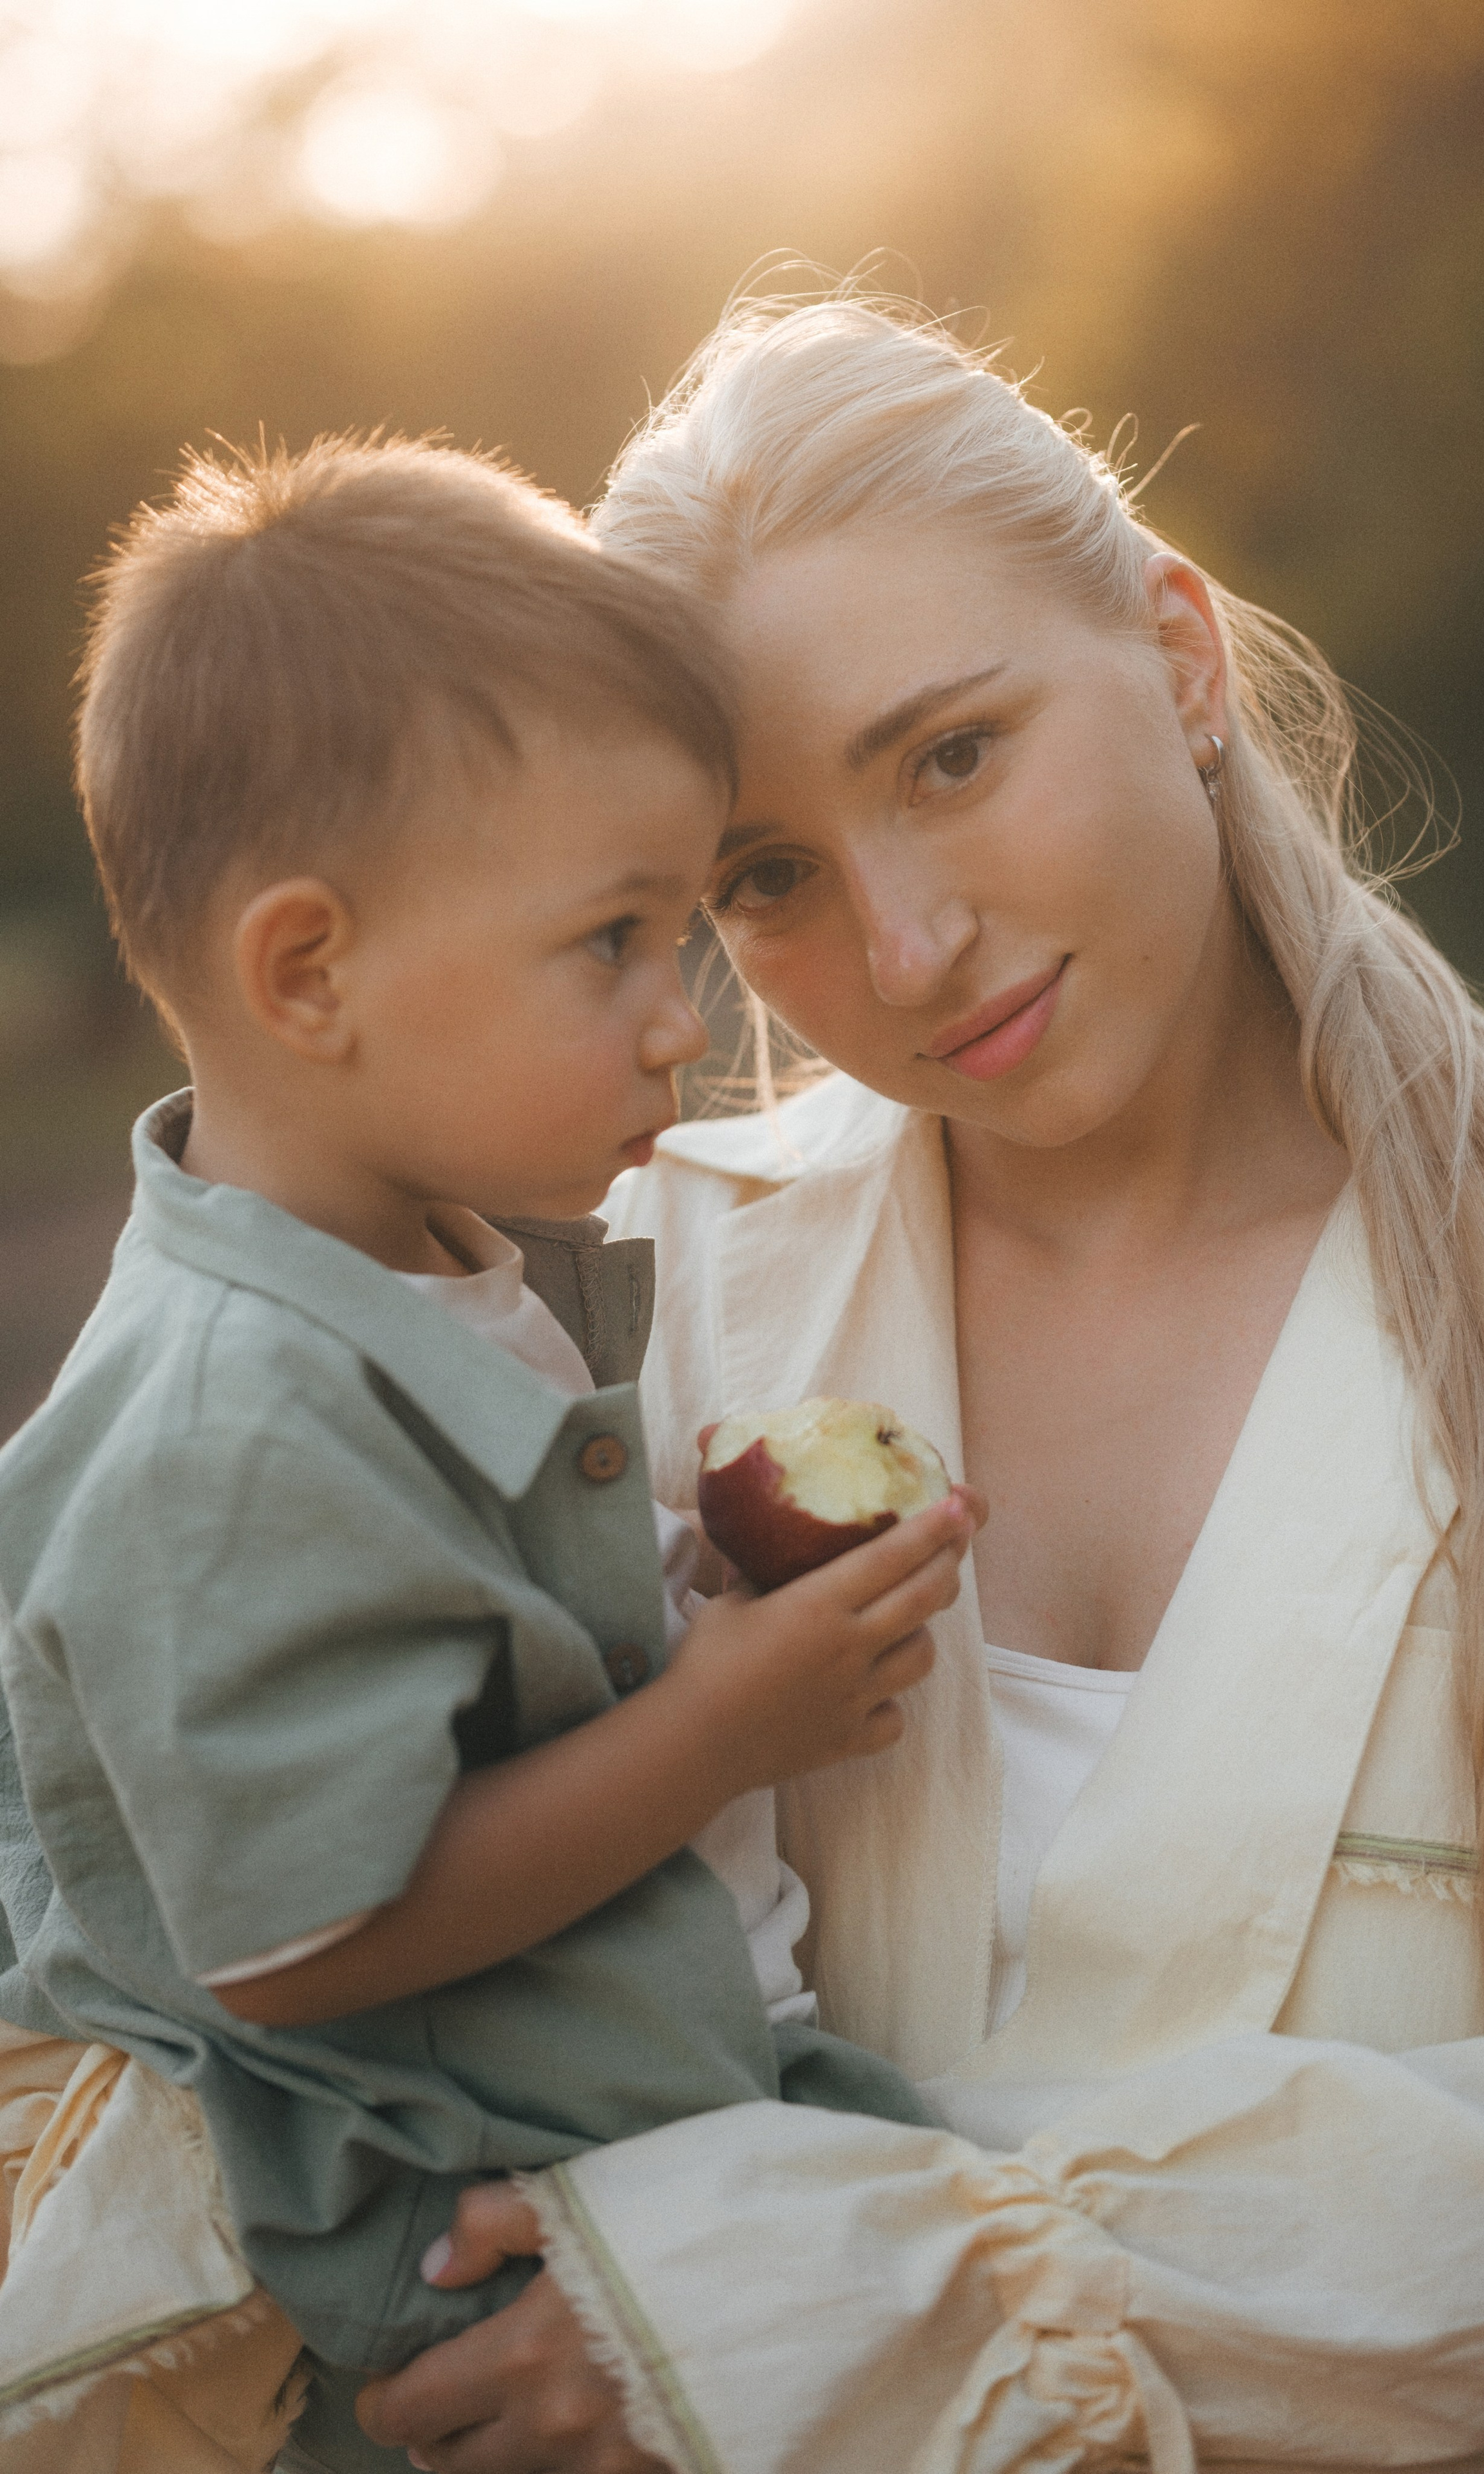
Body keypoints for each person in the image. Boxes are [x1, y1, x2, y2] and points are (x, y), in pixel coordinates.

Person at [352, 296, 1484, 2473]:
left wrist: (819, 2299)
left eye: (952, 756)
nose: (910, 950)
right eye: (770, 878)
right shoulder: (627, 1302)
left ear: (1181, 656)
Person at [0, 433, 972, 2473]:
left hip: (638, 2120)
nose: (680, 1020)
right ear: (309, 973)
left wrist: (685, 1592)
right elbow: (307, 1938)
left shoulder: (431, 1256)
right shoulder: (231, 1423)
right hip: (464, 2269)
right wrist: (719, 1726)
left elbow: (461, 1680)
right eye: (612, 939)